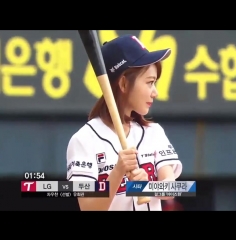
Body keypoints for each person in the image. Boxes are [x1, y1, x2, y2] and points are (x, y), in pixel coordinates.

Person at [66, 34, 183, 211]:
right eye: (150, 83)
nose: (155, 92)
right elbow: (89, 208)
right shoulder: (84, 140)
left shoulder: (154, 132)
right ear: (123, 83)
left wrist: (146, 187)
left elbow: (172, 188)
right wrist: (118, 172)